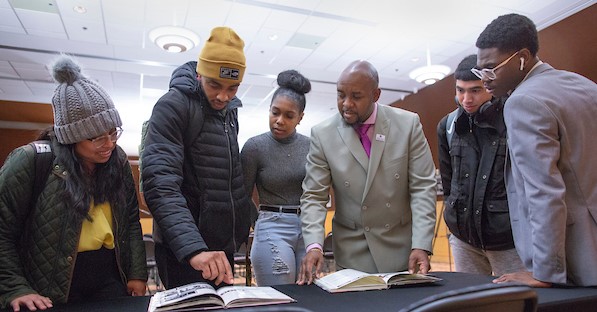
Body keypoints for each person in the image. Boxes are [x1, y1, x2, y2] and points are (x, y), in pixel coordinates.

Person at [0, 55, 147, 311]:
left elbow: (130, 220)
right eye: (97, 138)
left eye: (113, 132)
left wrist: (136, 273)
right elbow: (2, 231)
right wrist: (14, 287)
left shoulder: (118, 160)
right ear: (71, 136)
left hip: (110, 277)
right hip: (50, 282)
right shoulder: (31, 160)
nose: (110, 144)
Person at [474, 13, 597, 287]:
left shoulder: (522, 102)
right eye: (480, 70)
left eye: (491, 68)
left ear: (523, 57)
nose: (485, 79)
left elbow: (543, 192)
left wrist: (545, 272)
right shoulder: (584, 85)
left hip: (578, 256)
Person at [297, 60, 437, 285]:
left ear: (376, 95)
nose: (346, 104)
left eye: (356, 96)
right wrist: (314, 245)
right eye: (340, 95)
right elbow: (314, 195)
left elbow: (423, 187)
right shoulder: (323, 134)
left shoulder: (408, 125)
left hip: (401, 249)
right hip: (352, 252)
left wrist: (421, 244)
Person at [141, 26, 251, 289]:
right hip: (185, 250)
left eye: (233, 88)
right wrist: (193, 250)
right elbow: (160, 183)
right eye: (215, 84)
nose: (223, 96)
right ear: (200, 73)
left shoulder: (229, 111)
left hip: (220, 248)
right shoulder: (173, 106)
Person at [437, 54, 524, 276]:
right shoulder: (448, 126)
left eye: (475, 90)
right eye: (460, 90)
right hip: (463, 240)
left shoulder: (515, 119)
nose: (466, 99)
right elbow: (448, 184)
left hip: (509, 241)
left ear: (490, 86)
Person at [240, 70, 311, 286]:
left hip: (308, 228)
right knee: (279, 298)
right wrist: (259, 222)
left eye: (289, 116)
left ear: (300, 118)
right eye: (275, 112)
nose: (279, 121)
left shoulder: (311, 146)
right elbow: (241, 195)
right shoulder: (255, 147)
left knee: (309, 297)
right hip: (272, 226)